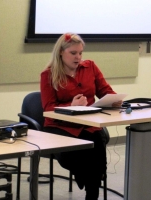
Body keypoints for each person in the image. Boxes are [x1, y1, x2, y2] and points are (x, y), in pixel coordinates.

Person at [40, 33, 122, 200]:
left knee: (97, 146)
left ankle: (92, 195)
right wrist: (71, 106)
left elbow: (105, 91)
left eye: (80, 53)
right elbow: (48, 107)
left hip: (88, 123)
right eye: (73, 53)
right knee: (75, 154)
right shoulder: (48, 74)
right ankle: (86, 178)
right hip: (59, 126)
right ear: (61, 53)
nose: (78, 57)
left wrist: (114, 100)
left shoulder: (90, 67)